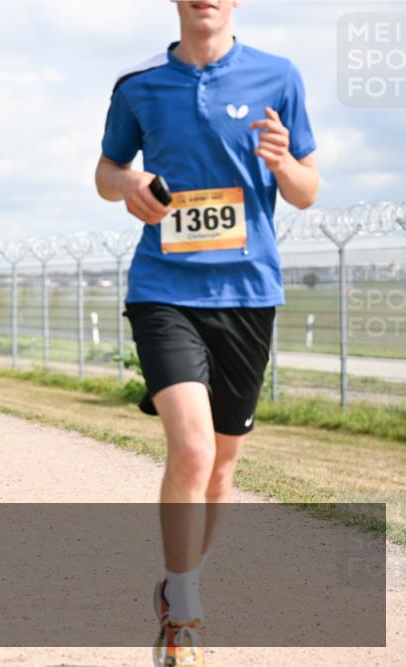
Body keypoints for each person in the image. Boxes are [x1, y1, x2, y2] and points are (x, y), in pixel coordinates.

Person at [94, 2, 319, 665]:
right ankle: (184, 614)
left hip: (249, 294)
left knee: (222, 465)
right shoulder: (138, 84)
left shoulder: (279, 76)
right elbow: (106, 172)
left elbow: (307, 190)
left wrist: (282, 164)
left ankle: (181, 580)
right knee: (191, 449)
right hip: (164, 289)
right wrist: (129, 181)